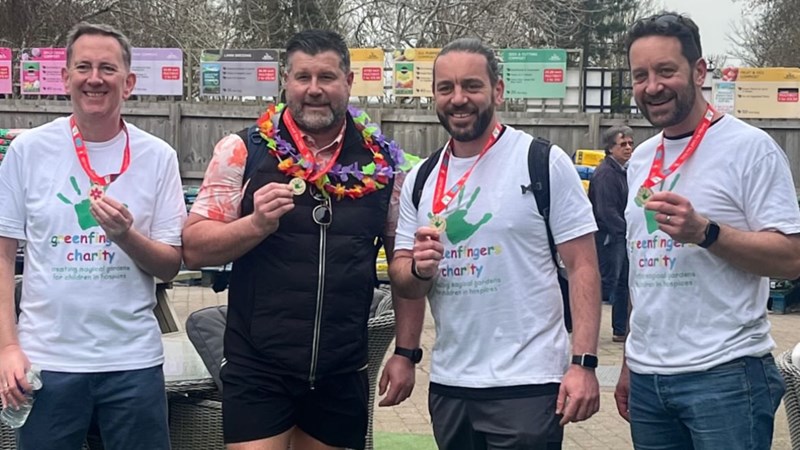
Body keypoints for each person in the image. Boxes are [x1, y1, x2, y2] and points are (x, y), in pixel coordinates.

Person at [181, 29, 423, 450]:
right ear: (285, 82)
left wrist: (406, 352)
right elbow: (193, 248)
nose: (314, 89)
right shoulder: (243, 150)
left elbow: (403, 266)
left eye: (326, 77)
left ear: (348, 82)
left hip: (341, 368)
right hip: (258, 365)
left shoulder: (384, 166)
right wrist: (255, 225)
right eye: (302, 77)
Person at [389, 37, 602, 450]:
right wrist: (416, 277)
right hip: (451, 383)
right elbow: (403, 279)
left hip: (527, 383)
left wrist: (583, 363)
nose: (458, 99)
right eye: (446, 88)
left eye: (472, 85)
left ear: (498, 90)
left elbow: (584, 267)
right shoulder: (421, 178)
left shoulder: (541, 161)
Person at [615, 12, 800, 449]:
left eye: (666, 71)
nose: (652, 87)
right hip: (648, 379)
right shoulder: (640, 159)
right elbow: (643, 267)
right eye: (640, 75)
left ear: (699, 71)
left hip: (725, 375)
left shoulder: (750, 149)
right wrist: (628, 360)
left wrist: (706, 232)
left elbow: (792, 259)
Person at [0, 22, 186, 449]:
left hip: (133, 363)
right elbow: (3, 255)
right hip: (47, 362)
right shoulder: (28, 151)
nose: (95, 78)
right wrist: (8, 347)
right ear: (65, 77)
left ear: (129, 83)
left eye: (108, 68)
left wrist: (126, 236)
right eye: (83, 67)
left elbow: (170, 265)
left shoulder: (158, 156)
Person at [587, 126, 633, 343]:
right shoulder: (606, 173)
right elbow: (606, 211)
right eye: (623, 144)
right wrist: (626, 231)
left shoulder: (624, 171)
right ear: (610, 148)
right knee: (606, 284)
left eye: (631, 143)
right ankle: (584, 326)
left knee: (624, 283)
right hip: (609, 238)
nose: (628, 148)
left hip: (621, 235)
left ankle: (620, 330)